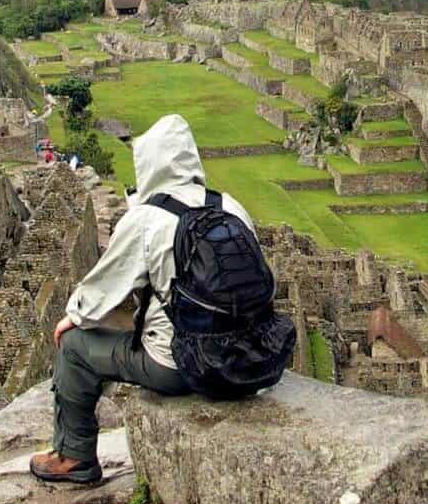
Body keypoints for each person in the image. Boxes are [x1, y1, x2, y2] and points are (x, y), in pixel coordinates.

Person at [29, 115, 262, 484]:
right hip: (248, 360)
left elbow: (104, 286)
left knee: (73, 347)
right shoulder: (230, 207)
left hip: (180, 367)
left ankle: (74, 456)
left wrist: (72, 316)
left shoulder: (148, 217)